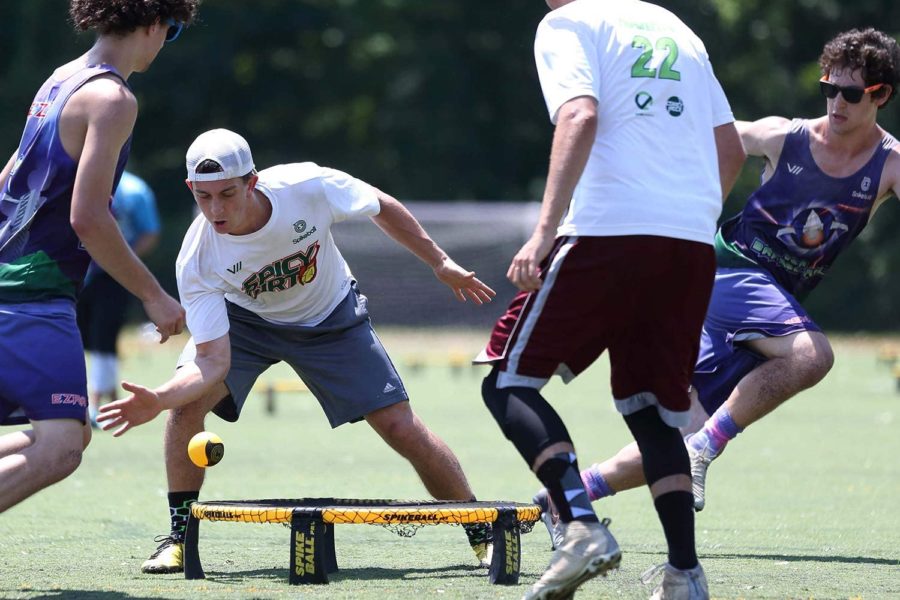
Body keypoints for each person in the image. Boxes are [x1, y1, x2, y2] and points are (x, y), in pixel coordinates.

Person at [533, 24, 900, 556]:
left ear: (881, 95)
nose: (836, 103)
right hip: (727, 271)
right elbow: (709, 135)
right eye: (829, 88)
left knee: (677, 438)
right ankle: (708, 446)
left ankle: (563, 499)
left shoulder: (889, 164)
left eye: (850, 93)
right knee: (812, 355)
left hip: (768, 306)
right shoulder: (785, 137)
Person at [95, 128, 499, 574]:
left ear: (252, 182)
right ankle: (179, 538)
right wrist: (160, 398)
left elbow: (380, 204)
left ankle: (480, 531)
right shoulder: (197, 257)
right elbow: (211, 361)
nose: (216, 210)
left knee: (399, 426)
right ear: (190, 188)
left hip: (330, 316)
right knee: (186, 407)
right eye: (204, 196)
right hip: (247, 323)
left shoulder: (304, 186)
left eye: (228, 194)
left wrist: (440, 262)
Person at [475, 0, 745, 597]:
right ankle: (684, 574)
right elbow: (730, 150)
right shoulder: (677, 28)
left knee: (507, 380)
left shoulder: (567, 23)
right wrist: (685, 219)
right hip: (690, 244)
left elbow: (579, 114)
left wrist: (543, 233)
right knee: (652, 412)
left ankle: (580, 526)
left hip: (608, 233)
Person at [0, 0, 194, 514]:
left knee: (68, 433)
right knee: (61, 448)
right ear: (153, 23)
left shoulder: (58, 80)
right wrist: (154, 297)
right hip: (33, 295)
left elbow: (8, 180)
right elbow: (87, 218)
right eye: (171, 31)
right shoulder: (113, 99)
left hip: (10, 283)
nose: (165, 43)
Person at [77, 171, 162, 427]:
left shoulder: (135, 189)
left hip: (114, 276)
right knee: (83, 337)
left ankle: (95, 404)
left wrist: (121, 260)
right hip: (78, 271)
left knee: (104, 336)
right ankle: (109, 397)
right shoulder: (79, 178)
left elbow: (150, 232)